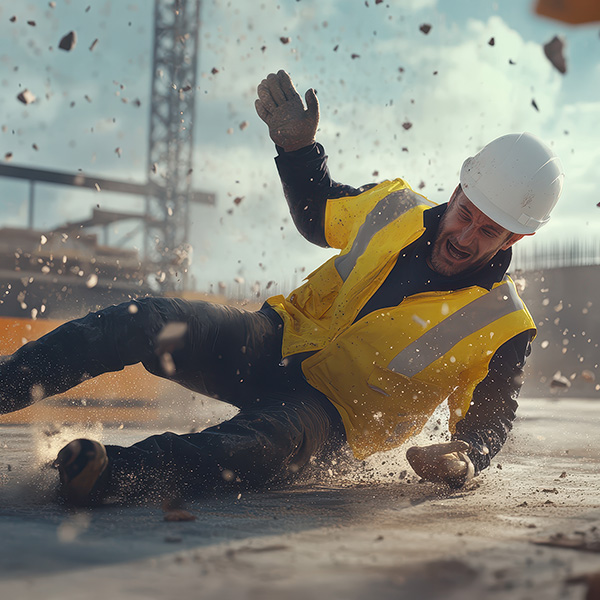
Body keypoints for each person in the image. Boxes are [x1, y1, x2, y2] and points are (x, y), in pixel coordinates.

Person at [0, 70, 564, 506]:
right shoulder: (395, 206)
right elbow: (318, 213)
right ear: (459, 187)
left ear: (517, 236)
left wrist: (465, 459)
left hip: (330, 417)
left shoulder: (505, 323)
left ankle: (103, 475)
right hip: (271, 337)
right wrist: (297, 150)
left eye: (488, 231)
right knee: (145, 320)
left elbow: (490, 421)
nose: (465, 236)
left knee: (255, 446)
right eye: (465, 213)